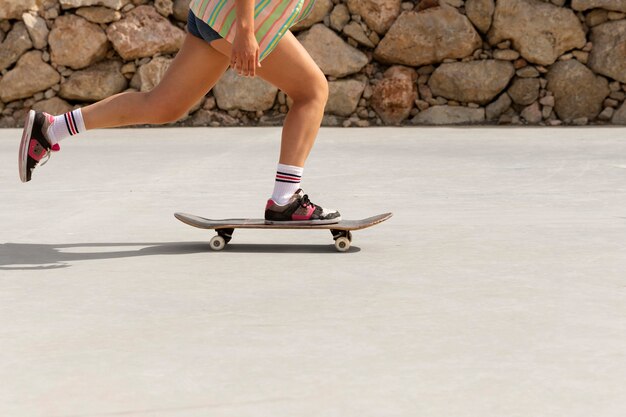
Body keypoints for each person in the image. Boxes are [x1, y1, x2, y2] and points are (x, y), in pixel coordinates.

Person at [18, 0, 341, 224]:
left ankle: (51, 129)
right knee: (312, 92)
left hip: (213, 13)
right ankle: (285, 200)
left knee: (162, 106)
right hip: (237, 21)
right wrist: (245, 30)